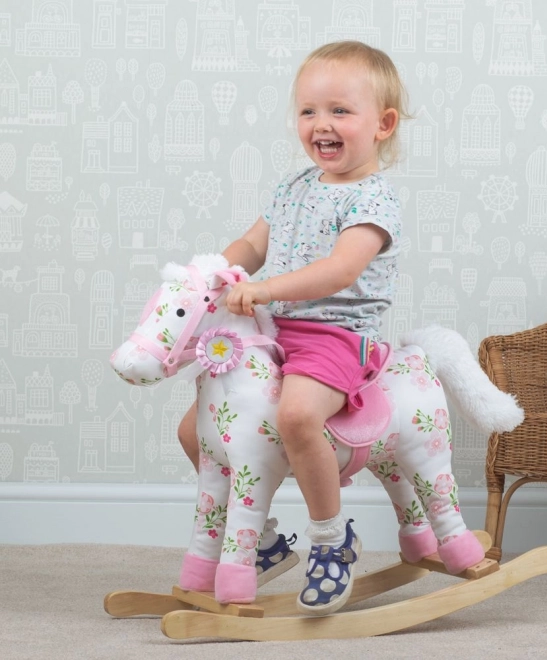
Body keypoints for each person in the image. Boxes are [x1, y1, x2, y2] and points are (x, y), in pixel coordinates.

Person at [178, 40, 409, 616]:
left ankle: (332, 542)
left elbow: (340, 270)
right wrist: (218, 271)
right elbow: (254, 244)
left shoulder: (373, 197)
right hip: (274, 330)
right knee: (198, 430)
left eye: (339, 111)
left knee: (299, 415)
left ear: (382, 124)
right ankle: (265, 540)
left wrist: (266, 289)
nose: (320, 125)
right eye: (309, 111)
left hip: (336, 337)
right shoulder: (293, 186)